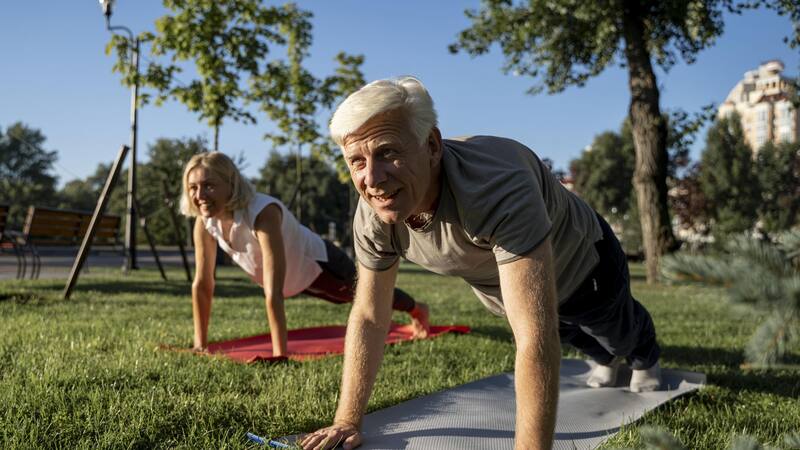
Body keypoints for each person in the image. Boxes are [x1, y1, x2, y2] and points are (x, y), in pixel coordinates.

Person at [299, 77, 662, 450]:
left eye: (388, 152)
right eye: (356, 161)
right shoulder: (373, 214)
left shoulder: (497, 186)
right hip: (508, 290)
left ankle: (644, 355)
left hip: (586, 266)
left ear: (432, 146)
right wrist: (346, 421)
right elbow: (371, 316)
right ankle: (605, 358)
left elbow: (533, 333)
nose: (371, 178)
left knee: (613, 329)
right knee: (576, 338)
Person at [179, 152, 430, 357]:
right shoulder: (205, 223)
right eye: (193, 188)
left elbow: (273, 289)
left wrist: (280, 354)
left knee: (364, 294)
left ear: (231, 184)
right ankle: (415, 307)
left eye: (209, 186)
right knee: (356, 297)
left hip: (320, 265)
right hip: (295, 278)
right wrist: (200, 345)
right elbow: (202, 284)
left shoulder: (262, 213)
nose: (199, 196)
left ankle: (417, 309)